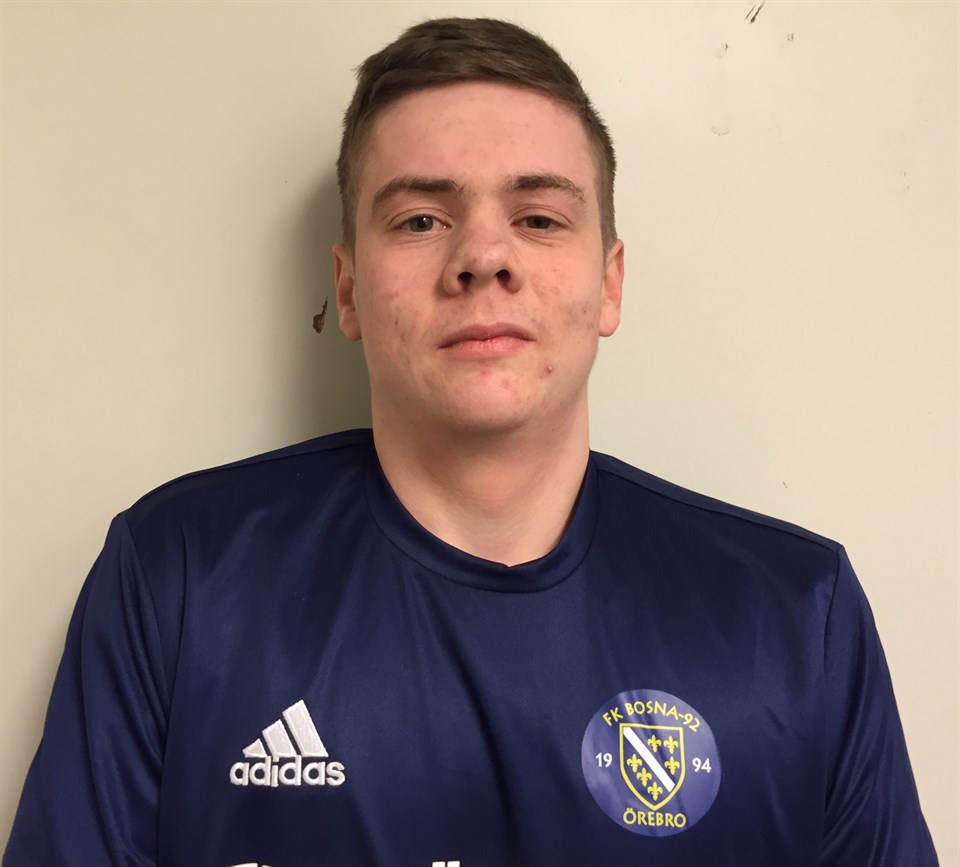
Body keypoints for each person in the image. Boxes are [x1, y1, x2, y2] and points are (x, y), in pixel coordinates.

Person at [4, 17, 937, 867]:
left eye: (538, 217)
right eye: (421, 219)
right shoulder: (180, 578)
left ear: (609, 283)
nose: (484, 257)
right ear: (350, 288)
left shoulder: (794, 616)